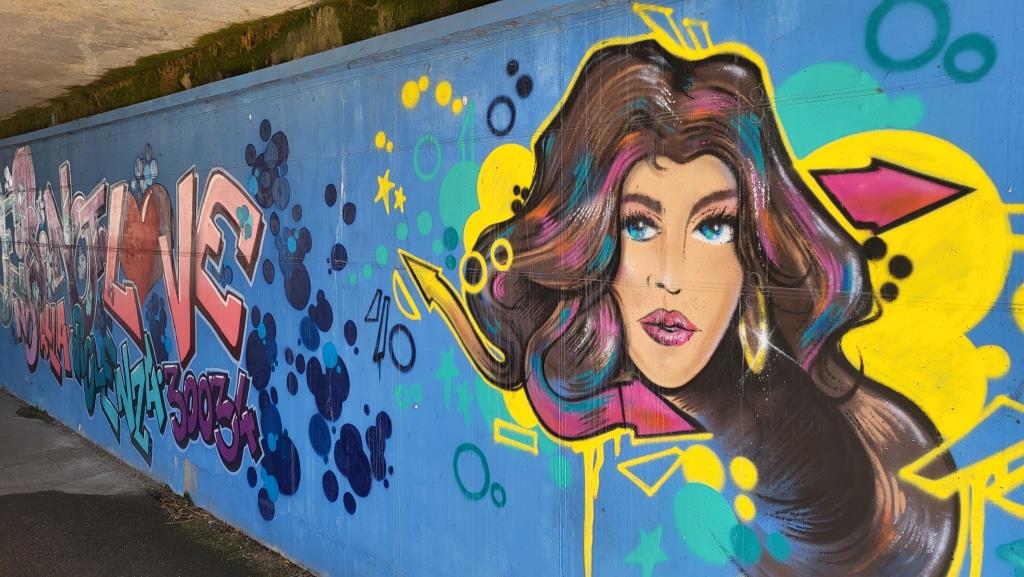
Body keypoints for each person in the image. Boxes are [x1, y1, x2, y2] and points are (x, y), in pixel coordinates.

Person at [458, 40, 959, 575]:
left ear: (756, 252)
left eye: (714, 227)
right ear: (593, 241)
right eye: (639, 224)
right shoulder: (589, 396)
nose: (671, 276)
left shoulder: (823, 448)